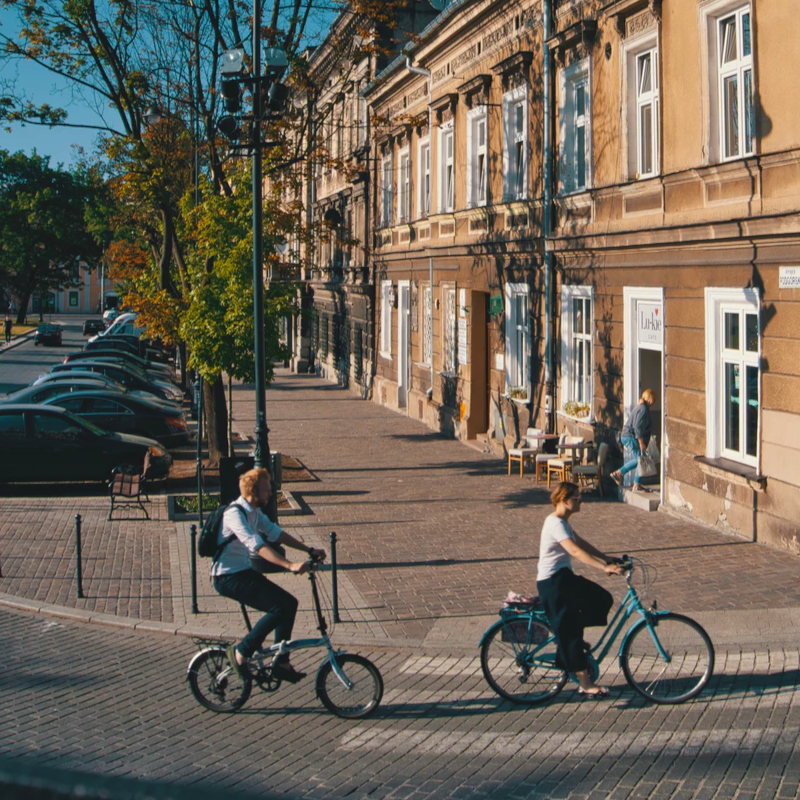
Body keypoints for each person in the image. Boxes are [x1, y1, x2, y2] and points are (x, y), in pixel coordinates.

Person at [212, 467, 326, 682]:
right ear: (253, 491)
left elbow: (276, 533)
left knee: (288, 604)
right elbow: (257, 545)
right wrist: (289, 565)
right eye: (266, 490)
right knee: (279, 607)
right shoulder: (234, 514)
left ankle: (281, 662)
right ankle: (241, 652)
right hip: (227, 577)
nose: (271, 494)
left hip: (243, 572)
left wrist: (308, 550)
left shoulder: (254, 512)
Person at [536, 481, 625, 698]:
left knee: (602, 598)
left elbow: (581, 543)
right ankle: (585, 682)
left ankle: (571, 638)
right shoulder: (555, 523)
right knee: (570, 630)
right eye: (577, 498)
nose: (580, 502)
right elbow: (575, 551)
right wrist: (604, 567)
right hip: (553, 583)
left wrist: (606, 557)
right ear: (564, 500)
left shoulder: (563, 523)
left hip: (563, 579)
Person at [611, 388, 656, 493]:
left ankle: (636, 483)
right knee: (640, 460)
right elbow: (637, 427)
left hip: (629, 436)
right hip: (631, 437)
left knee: (640, 460)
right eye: (654, 399)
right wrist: (641, 442)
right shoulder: (643, 409)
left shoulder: (641, 407)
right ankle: (620, 474)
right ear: (650, 399)